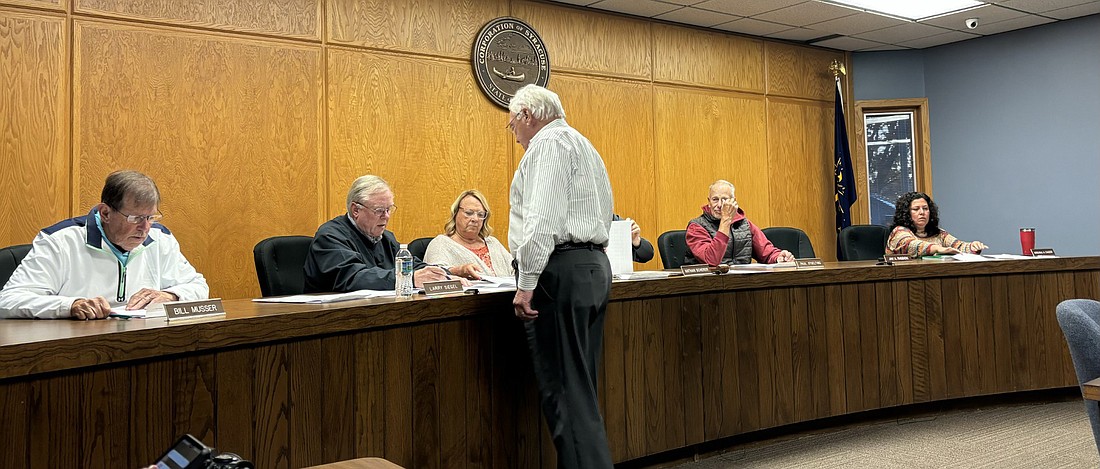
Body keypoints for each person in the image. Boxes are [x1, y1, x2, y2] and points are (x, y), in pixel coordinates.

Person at [508, 84, 615, 469]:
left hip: (558, 272)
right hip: (592, 267)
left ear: (526, 116)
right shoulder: (584, 145)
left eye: (512, 124)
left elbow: (542, 221)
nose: (514, 134)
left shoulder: (548, 145)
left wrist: (526, 282)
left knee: (566, 397)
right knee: (580, 392)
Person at [0, 170, 209, 319]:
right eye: (135, 218)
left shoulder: (160, 238)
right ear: (106, 213)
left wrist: (170, 295)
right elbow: (8, 301)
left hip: (142, 347)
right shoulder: (60, 241)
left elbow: (199, 287)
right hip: (74, 351)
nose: (145, 228)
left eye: (151, 217)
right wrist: (69, 305)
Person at [303, 175, 453, 293]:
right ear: (356, 210)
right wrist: (409, 279)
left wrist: (447, 274)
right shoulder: (330, 237)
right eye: (379, 210)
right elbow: (353, 278)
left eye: (389, 209)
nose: (386, 216)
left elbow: (412, 265)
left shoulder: (386, 237)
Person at [685, 179, 794, 265]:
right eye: (715, 199)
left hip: (740, 283)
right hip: (707, 286)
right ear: (708, 202)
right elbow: (711, 260)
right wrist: (726, 221)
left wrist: (779, 257)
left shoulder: (744, 224)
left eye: (724, 199)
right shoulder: (696, 227)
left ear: (734, 201)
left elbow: (766, 252)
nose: (719, 205)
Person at [423, 189, 514, 278]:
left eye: (480, 215)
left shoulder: (493, 243)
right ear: (455, 213)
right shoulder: (440, 244)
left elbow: (515, 269)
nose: (475, 219)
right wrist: (459, 270)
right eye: (469, 213)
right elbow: (435, 274)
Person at [886, 191, 988, 256]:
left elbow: (958, 246)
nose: (922, 212)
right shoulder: (899, 232)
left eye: (925, 209)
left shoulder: (939, 233)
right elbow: (913, 246)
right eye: (916, 209)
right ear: (906, 213)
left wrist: (972, 246)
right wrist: (938, 249)